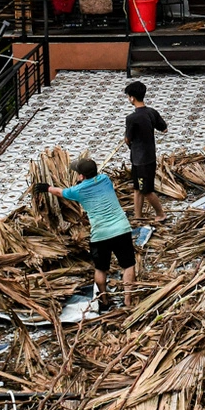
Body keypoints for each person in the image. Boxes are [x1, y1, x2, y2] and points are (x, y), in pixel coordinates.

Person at [36, 157, 135, 311]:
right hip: (122, 229)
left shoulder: (78, 191)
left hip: (100, 235)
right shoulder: (106, 179)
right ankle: (128, 300)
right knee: (128, 265)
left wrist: (47, 187)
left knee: (101, 269)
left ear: (81, 176)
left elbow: (60, 192)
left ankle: (104, 299)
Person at [125, 80, 169, 225]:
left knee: (146, 190)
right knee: (138, 188)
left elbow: (127, 140)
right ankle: (137, 216)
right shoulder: (151, 112)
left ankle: (161, 214)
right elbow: (164, 129)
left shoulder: (131, 118)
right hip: (148, 156)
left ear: (132, 97)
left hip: (140, 160)